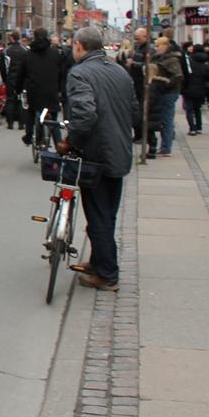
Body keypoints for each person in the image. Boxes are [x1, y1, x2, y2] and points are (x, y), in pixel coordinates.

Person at [59, 26, 137, 292]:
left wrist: (69, 142)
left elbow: (84, 115)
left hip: (96, 154)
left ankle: (107, 275)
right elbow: (134, 111)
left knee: (98, 215)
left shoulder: (79, 73)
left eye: (73, 44)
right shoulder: (119, 71)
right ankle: (97, 261)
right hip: (120, 151)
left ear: (80, 45)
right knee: (107, 214)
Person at [14, 28, 65, 148]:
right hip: (51, 92)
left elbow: (21, 75)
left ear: (34, 38)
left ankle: (29, 135)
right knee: (52, 120)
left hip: (34, 91)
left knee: (31, 111)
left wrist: (18, 89)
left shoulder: (28, 54)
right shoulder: (55, 53)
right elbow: (62, 74)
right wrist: (61, 91)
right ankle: (59, 146)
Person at [146, 36, 183, 158]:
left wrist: (165, 83)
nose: (156, 48)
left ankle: (166, 147)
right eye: (155, 46)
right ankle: (161, 146)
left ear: (166, 46)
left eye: (158, 46)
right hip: (157, 92)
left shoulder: (172, 60)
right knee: (159, 119)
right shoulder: (156, 58)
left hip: (168, 93)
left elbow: (177, 76)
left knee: (166, 119)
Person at [182, 44, 209, 135]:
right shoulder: (206, 63)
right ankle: (199, 127)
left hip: (189, 88)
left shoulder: (189, 62)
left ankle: (192, 128)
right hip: (201, 89)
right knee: (198, 109)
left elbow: (185, 75)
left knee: (189, 109)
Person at [0, 30, 27, 130]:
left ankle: (10, 123)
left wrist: (5, 79)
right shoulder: (25, 50)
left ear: (11, 38)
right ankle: (21, 123)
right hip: (22, 79)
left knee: (10, 100)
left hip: (10, 78)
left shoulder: (6, 51)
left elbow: (3, 67)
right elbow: (27, 66)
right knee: (20, 100)